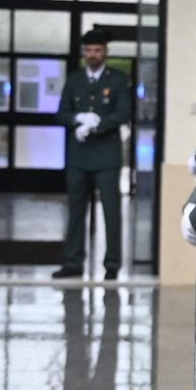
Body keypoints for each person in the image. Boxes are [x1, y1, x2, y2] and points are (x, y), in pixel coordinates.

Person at [54, 29, 133, 279]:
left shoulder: (118, 79)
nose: (93, 55)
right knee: (76, 211)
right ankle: (73, 262)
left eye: (97, 50)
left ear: (105, 52)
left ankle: (112, 264)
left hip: (106, 155)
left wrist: (97, 125)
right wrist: (78, 118)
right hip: (78, 156)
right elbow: (61, 114)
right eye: (89, 50)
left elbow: (124, 113)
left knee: (111, 212)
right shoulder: (74, 79)